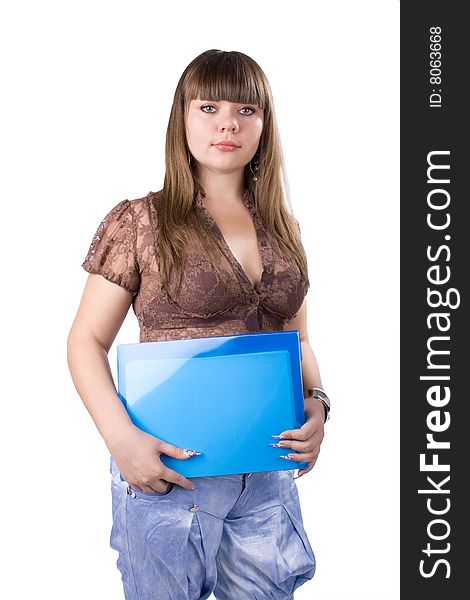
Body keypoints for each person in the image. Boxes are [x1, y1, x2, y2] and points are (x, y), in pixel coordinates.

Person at [67, 49, 329, 600]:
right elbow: (85, 341)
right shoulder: (141, 220)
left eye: (245, 109)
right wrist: (121, 442)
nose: (228, 123)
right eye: (208, 106)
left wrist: (318, 404)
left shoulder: (284, 228)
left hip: (266, 474)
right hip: (170, 473)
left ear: (265, 123)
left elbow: (297, 336)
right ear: (181, 118)